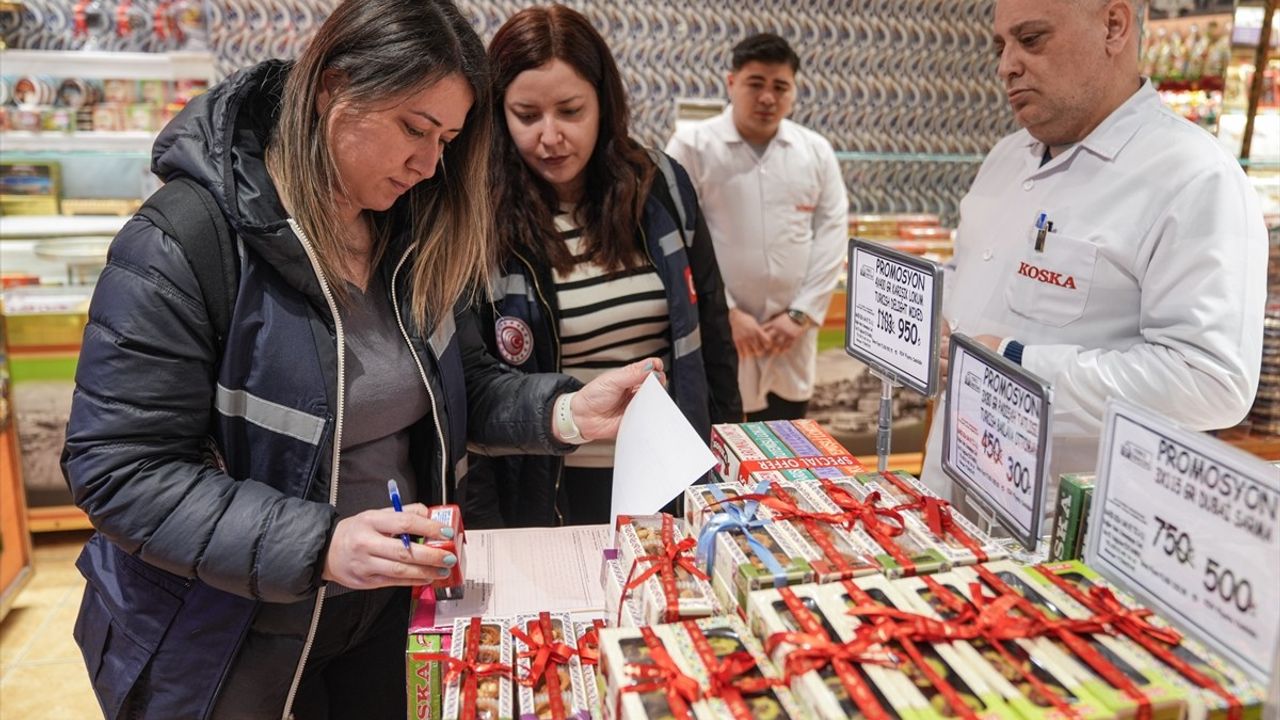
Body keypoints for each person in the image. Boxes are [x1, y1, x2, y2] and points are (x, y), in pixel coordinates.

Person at [60, 1, 660, 717]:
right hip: (223, 639)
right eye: (414, 128)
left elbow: (459, 388)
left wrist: (565, 410)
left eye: (447, 138)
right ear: (333, 87)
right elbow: (120, 470)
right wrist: (322, 545)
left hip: (381, 615)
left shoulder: (412, 233)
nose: (430, 163)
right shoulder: (184, 241)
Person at [921, 0, 1266, 505]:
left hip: (1067, 541)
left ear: (1113, 26)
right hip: (951, 494)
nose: (1006, 65)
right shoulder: (1005, 157)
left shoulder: (1193, 176)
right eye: (1001, 46)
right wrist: (934, 316)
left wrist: (1018, 363)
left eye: (1031, 39)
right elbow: (971, 275)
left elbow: (1211, 381)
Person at [463, 4, 741, 528]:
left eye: (570, 111)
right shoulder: (477, 212)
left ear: (603, 104)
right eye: (526, 115)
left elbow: (711, 335)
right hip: (545, 486)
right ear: (498, 114)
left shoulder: (660, 187)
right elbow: (471, 386)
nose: (550, 137)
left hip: (666, 474)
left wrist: (729, 456)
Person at [665, 32, 849, 422]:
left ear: (794, 92)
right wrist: (727, 314)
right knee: (722, 441)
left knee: (787, 439)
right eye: (755, 84)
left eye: (780, 86)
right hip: (720, 328)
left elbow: (834, 231)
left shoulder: (815, 150)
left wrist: (800, 314)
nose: (768, 97)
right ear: (732, 83)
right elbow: (674, 236)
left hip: (791, 335)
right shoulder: (692, 146)